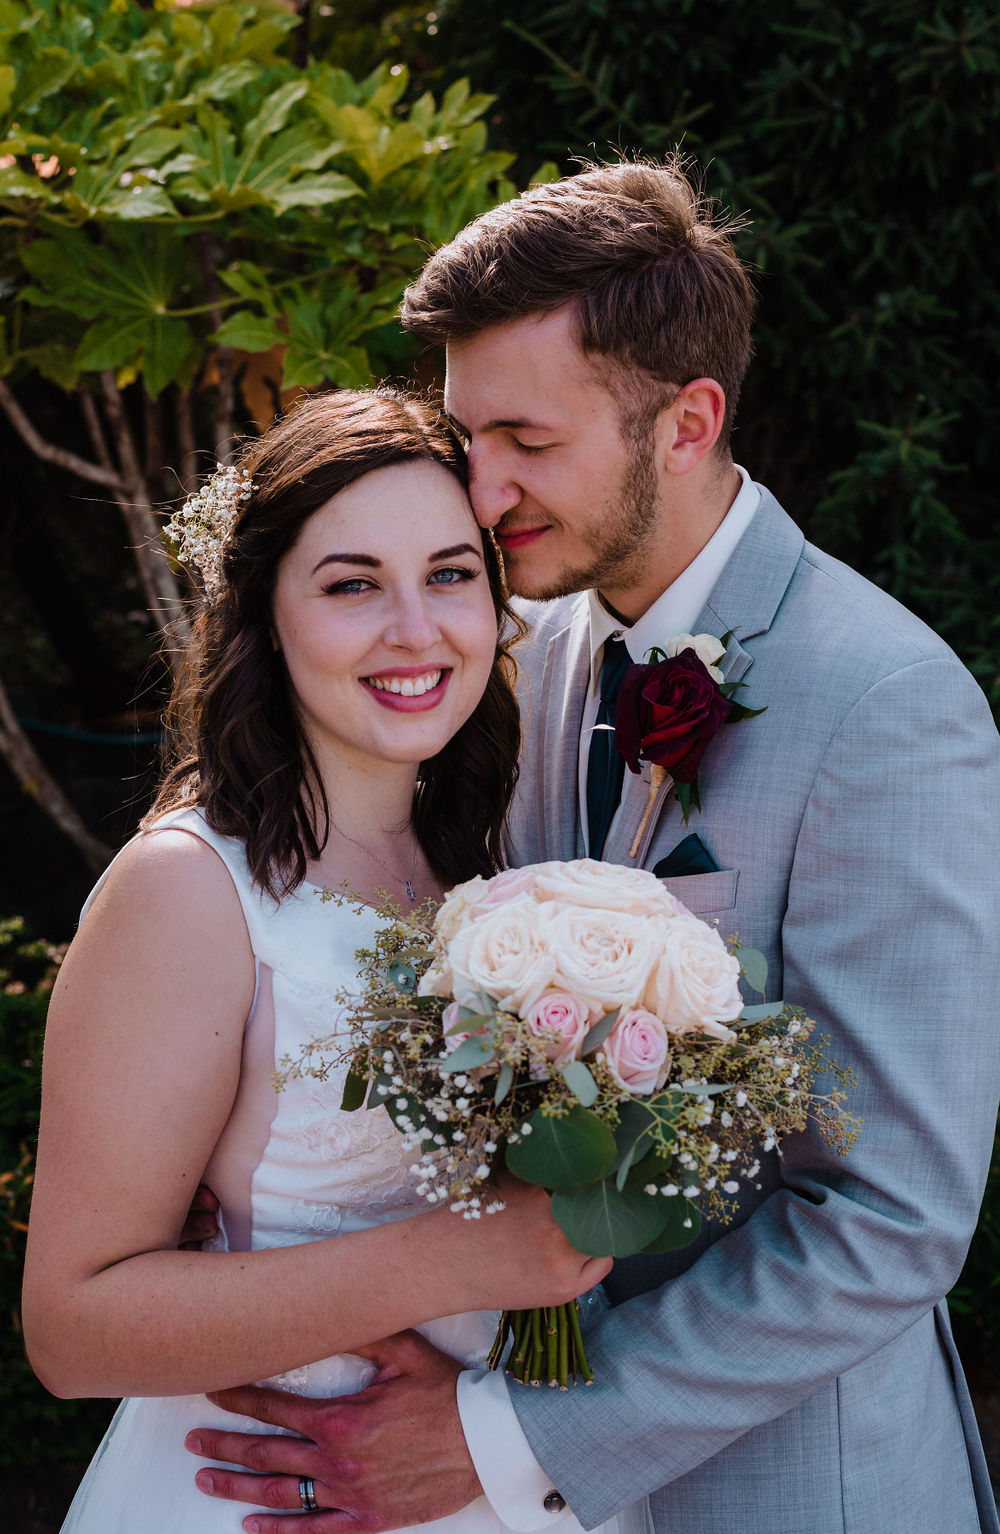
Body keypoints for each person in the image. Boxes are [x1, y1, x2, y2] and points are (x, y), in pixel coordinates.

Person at [185, 159, 1000, 1534]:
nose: (480, 487)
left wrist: (507, 1434)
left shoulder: (885, 706)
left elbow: (889, 1216)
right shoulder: (525, 649)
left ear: (685, 422)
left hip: (791, 1490)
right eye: (467, 434)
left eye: (526, 437)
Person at [21, 388, 625, 1534]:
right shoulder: (191, 890)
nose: (415, 627)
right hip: (263, 1493)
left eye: (451, 574)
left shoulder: (495, 858)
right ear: (266, 613)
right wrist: (461, 1258)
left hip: (484, 1476)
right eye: (353, 584)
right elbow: (70, 1328)